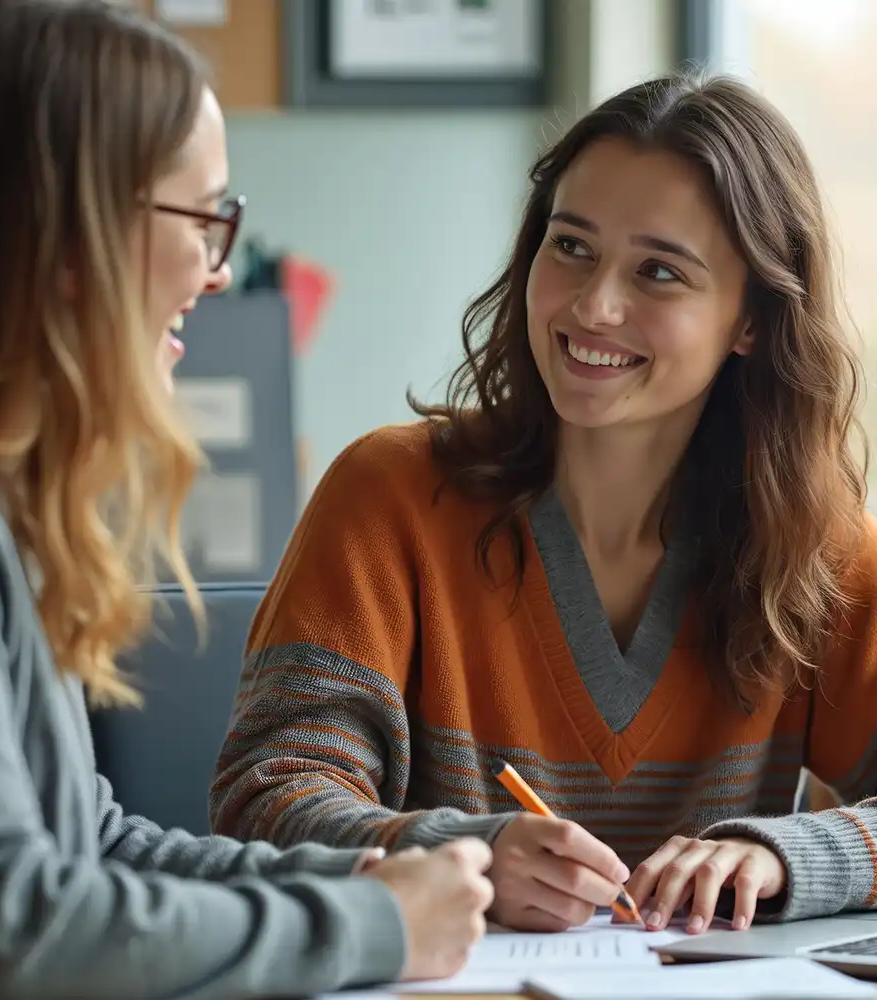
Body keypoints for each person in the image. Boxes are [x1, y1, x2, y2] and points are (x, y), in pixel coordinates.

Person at [0, 1, 495, 997]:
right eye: (205, 220)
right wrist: (371, 923)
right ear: (69, 235)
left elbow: (90, 845)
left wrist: (367, 878)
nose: (216, 275)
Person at [211, 72, 877, 939]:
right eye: (571, 248)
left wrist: (784, 855)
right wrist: (466, 851)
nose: (595, 306)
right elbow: (265, 793)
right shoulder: (388, 495)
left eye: (660, 272)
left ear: (750, 319)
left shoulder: (816, 547)